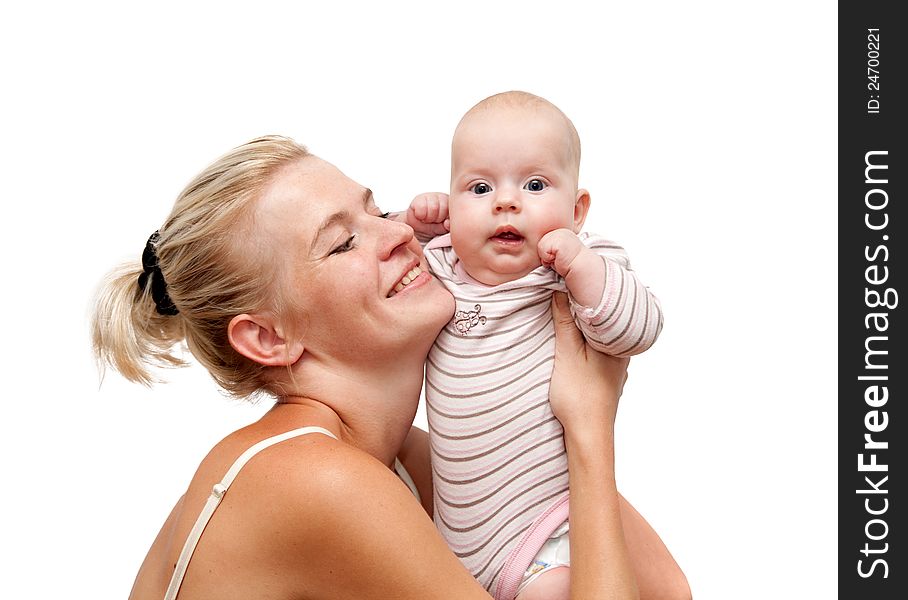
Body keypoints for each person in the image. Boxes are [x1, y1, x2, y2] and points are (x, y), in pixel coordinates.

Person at [93, 135, 688, 599]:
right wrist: (589, 424)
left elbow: (666, 592)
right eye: (342, 243)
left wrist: (528, 334)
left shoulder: (404, 459)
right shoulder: (314, 479)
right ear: (268, 337)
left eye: (376, 209)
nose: (400, 233)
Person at [402, 91, 667, 600]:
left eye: (535, 184)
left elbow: (641, 328)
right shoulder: (444, 270)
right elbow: (379, 261)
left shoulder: (576, 271)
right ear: (452, 209)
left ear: (577, 208)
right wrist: (415, 225)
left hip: (548, 535)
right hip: (459, 541)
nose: (506, 201)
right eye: (478, 188)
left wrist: (582, 268)